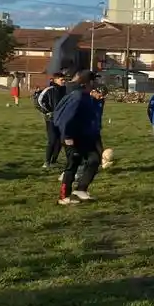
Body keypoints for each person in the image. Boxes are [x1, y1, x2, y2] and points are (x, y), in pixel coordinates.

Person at [53, 71, 104, 205]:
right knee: (72, 164)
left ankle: (81, 189)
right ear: (87, 82)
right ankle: (64, 196)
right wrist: (68, 137)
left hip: (85, 137)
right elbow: (64, 118)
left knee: (94, 160)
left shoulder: (87, 96)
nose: (96, 84)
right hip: (72, 137)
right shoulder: (77, 96)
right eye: (94, 81)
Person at [35, 72, 67, 169]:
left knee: (60, 141)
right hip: (51, 120)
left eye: (64, 79)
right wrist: (48, 111)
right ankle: (47, 162)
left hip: (62, 120)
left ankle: (54, 161)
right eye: (62, 80)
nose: (64, 81)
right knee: (52, 140)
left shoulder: (65, 90)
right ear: (55, 80)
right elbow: (39, 101)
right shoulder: (49, 90)